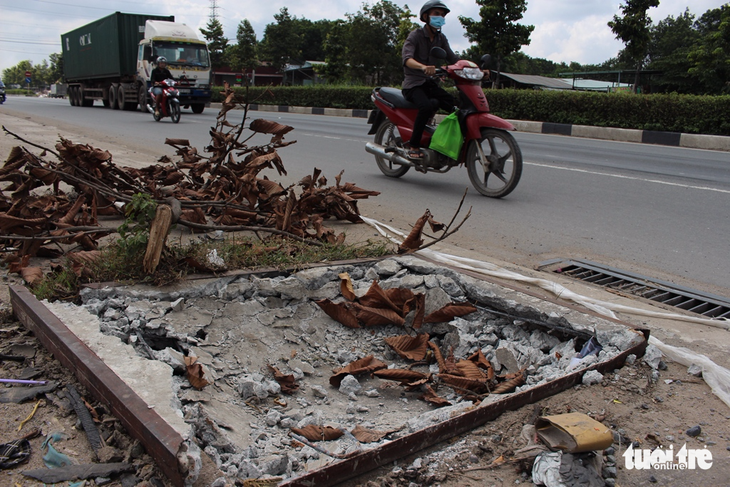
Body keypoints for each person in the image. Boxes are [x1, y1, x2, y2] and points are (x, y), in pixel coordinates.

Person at [401, 0, 459, 159]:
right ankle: (414, 145)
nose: (440, 17)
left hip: (429, 84)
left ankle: (445, 143)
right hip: (413, 85)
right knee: (426, 106)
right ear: (426, 16)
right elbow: (407, 59)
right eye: (436, 14)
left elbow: (453, 58)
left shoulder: (441, 38)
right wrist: (422, 67)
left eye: (442, 15)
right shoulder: (415, 35)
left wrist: (474, 68)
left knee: (454, 105)